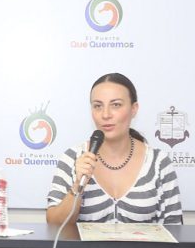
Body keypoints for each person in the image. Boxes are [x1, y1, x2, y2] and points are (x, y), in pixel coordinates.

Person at [46, 72, 183, 225]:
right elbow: (54, 226)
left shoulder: (159, 162)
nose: (105, 115)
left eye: (116, 105)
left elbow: (174, 229)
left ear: (134, 109)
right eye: (98, 106)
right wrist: (78, 185)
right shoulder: (72, 158)